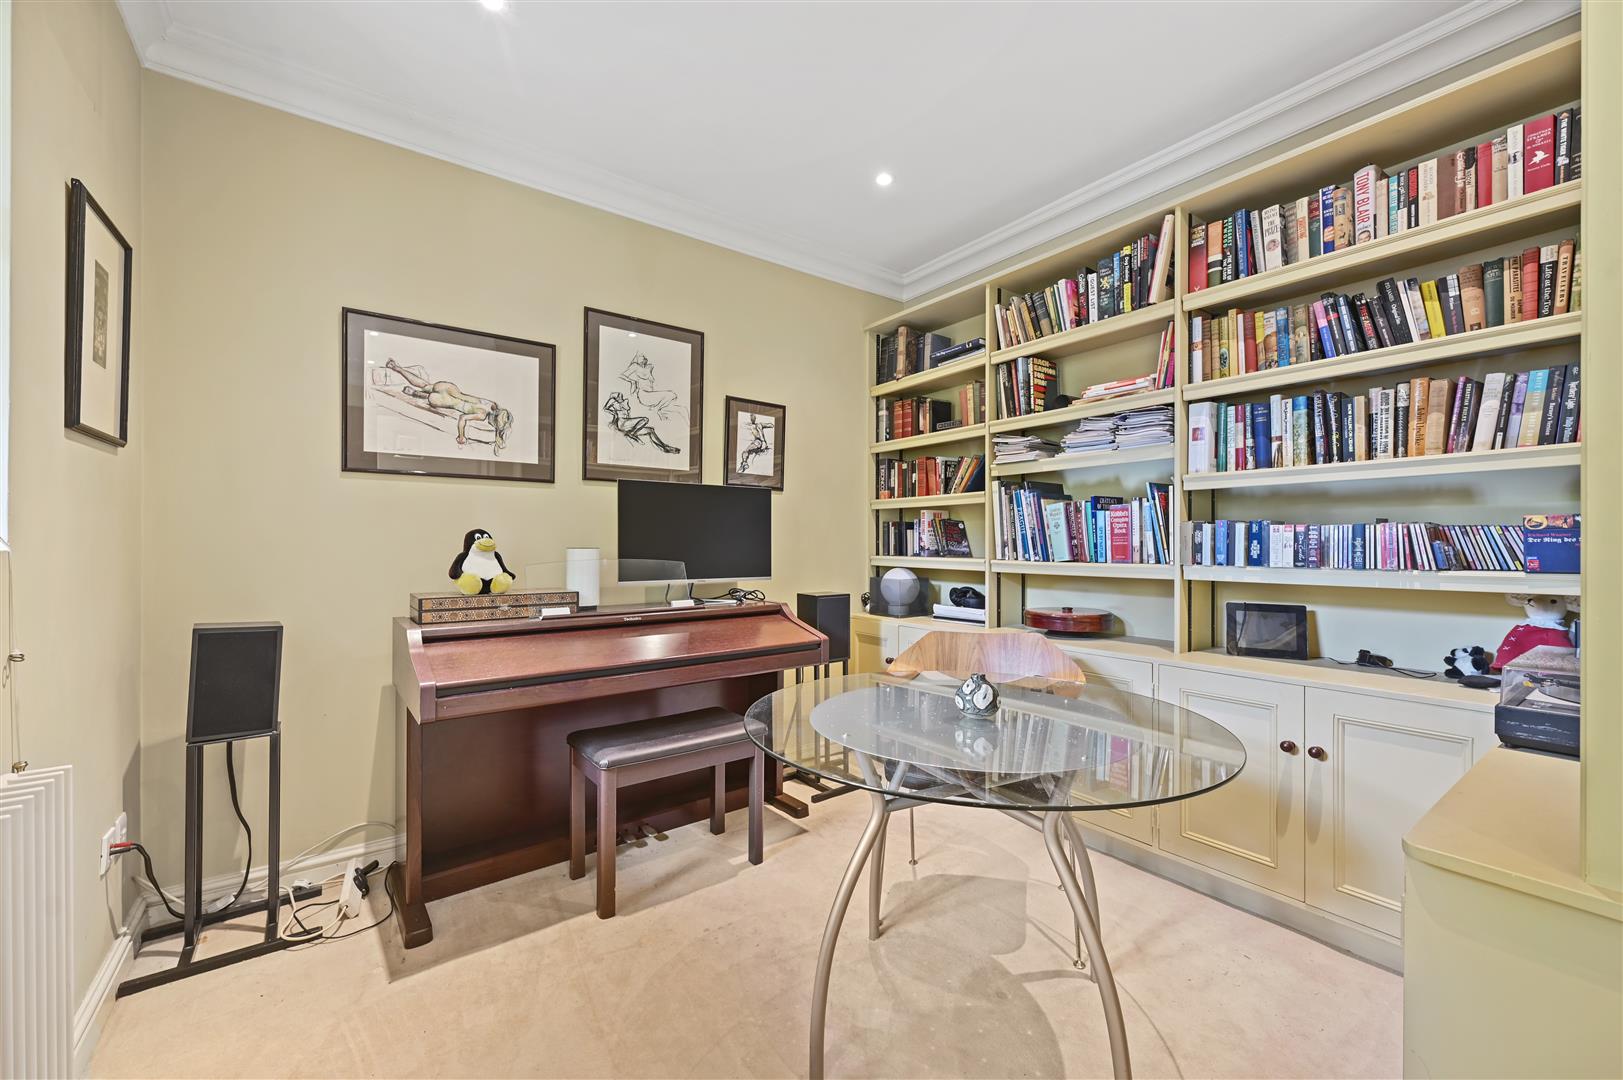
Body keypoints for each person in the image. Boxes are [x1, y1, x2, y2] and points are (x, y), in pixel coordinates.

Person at [385, 358, 513, 453]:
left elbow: (498, 414)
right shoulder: (481, 415)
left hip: (451, 389)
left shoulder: (492, 405)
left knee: (425, 385)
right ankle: (416, 394)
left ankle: (398, 368)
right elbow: (462, 418)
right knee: (430, 397)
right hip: (448, 401)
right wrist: (461, 436)